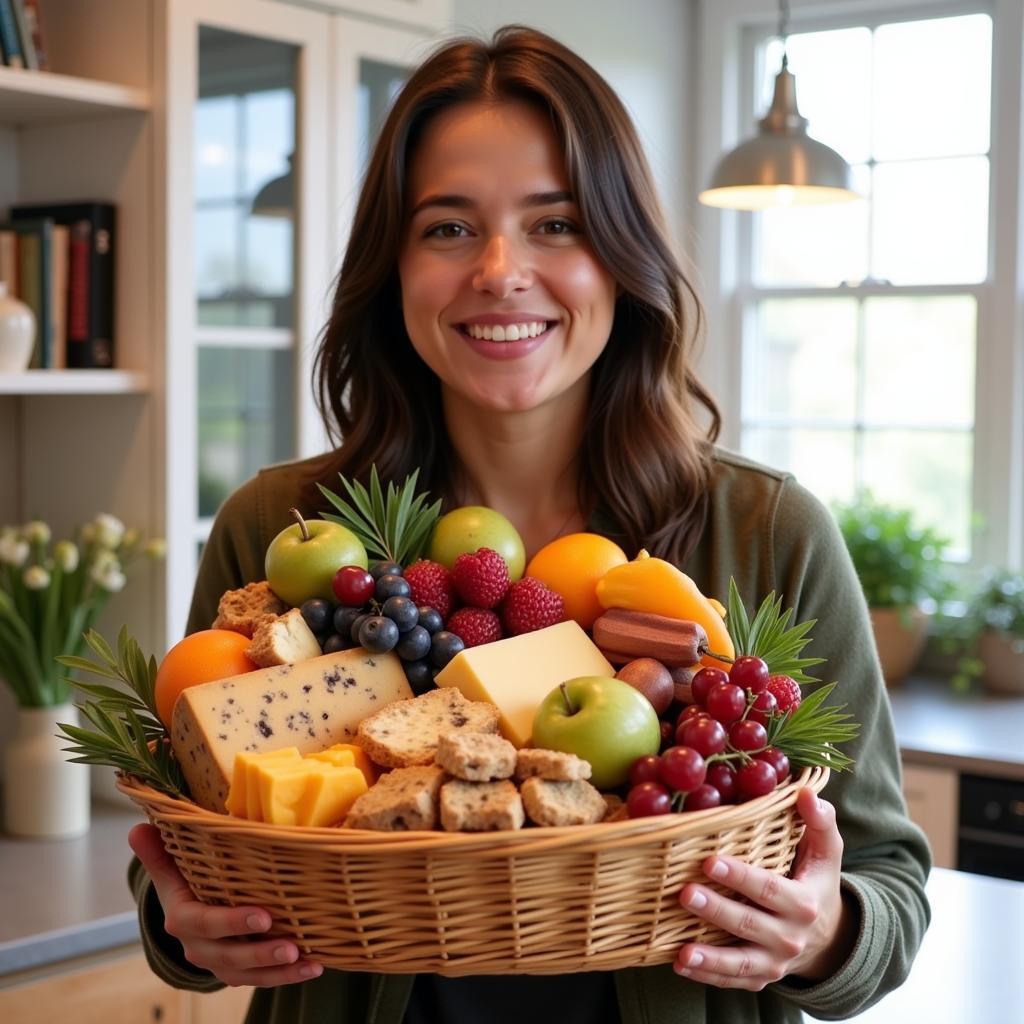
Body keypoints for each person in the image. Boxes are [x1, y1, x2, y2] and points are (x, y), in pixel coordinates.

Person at [127, 24, 930, 1024]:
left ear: (620, 255)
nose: (500, 270)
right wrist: (180, 925)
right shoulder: (278, 528)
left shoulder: (768, 530)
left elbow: (888, 883)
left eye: (555, 225)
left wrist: (823, 932)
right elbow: (194, 838)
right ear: (396, 266)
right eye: (449, 227)